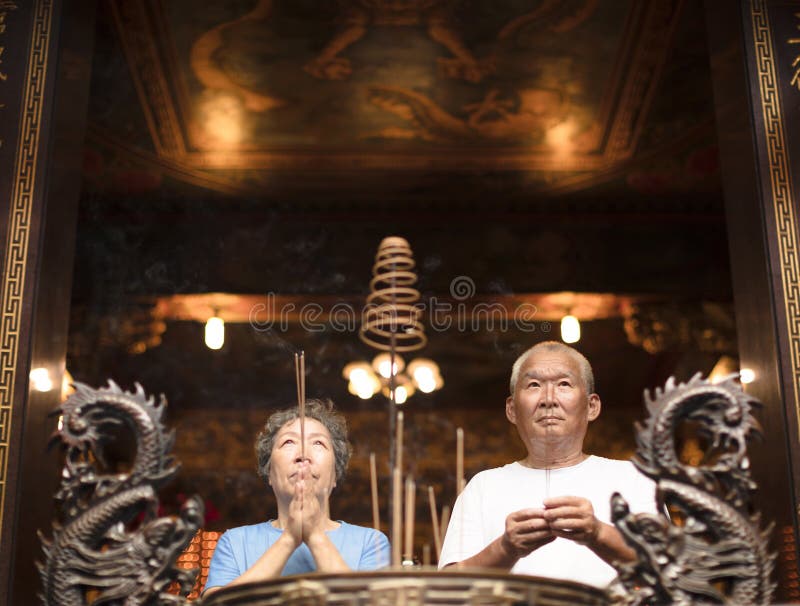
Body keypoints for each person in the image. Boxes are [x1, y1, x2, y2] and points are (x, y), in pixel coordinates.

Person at [438, 341, 656, 588]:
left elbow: (668, 569)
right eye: (534, 385)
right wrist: (505, 547)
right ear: (511, 409)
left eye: (564, 384)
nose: (548, 399)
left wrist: (598, 533)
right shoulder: (483, 486)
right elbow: (449, 588)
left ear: (592, 406)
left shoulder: (632, 477)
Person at [204, 399, 390, 596]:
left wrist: (315, 536)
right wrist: (289, 538)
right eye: (288, 442)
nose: (303, 455)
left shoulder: (371, 542)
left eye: (318, 443)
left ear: (335, 475)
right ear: (269, 473)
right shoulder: (235, 541)